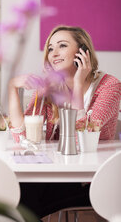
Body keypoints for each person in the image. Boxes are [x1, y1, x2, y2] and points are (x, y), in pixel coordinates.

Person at [8, 25, 121, 218]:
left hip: (91, 181)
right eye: (50, 48)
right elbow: (23, 138)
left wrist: (78, 84)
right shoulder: (50, 88)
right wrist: (12, 88)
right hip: (57, 175)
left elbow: (80, 142)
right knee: (17, 193)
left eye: (62, 46)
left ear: (82, 52)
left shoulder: (110, 86)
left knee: (22, 199)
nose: (54, 53)